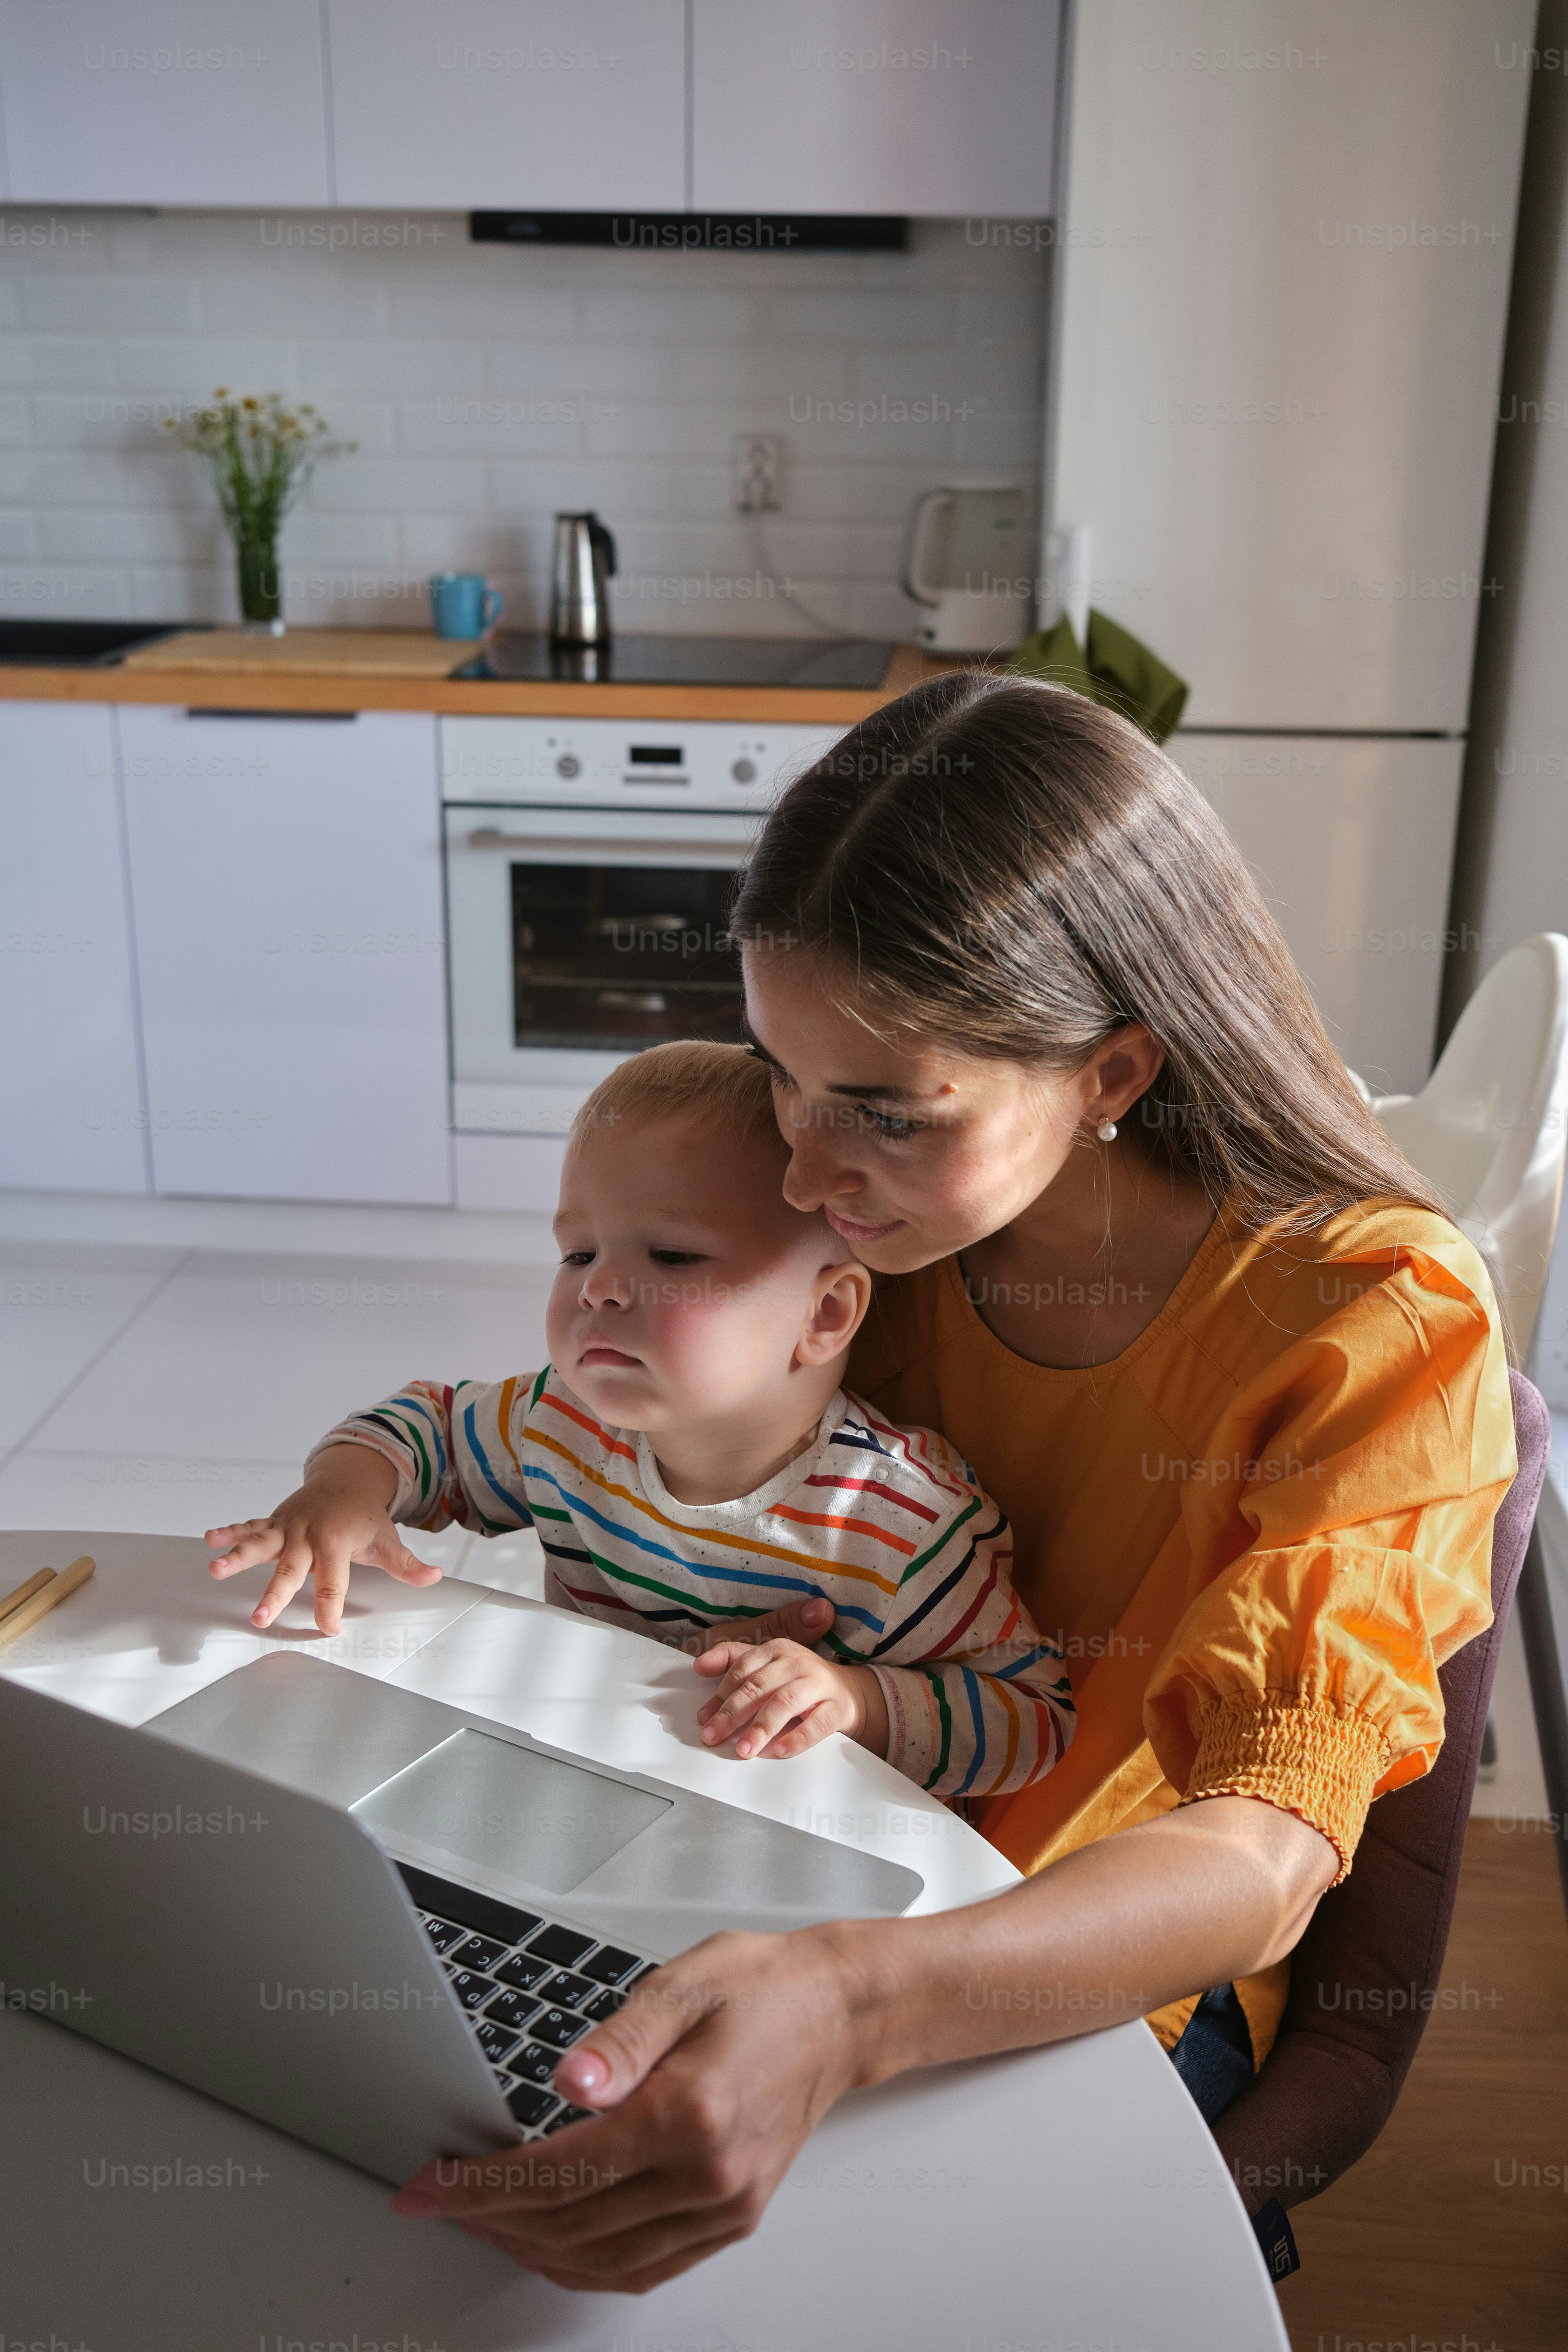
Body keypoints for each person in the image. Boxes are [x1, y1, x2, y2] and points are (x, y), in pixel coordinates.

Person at [374, 669, 1517, 2294]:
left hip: (1070, 1983)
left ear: (1109, 1075)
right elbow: (605, 1449)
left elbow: (1258, 1858)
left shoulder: (1366, 1321)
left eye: (884, 1116)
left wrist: (851, 2001)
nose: (800, 1170)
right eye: (780, 1074)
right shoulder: (853, 1239)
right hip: (752, 1851)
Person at [206, 1040, 1075, 1801]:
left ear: (823, 1318)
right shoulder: (557, 1423)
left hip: (802, 1832)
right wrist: (345, 1490)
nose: (599, 1286)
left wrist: (857, 1702)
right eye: (579, 1252)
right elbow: (430, 1428)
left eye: (671, 1255)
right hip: (602, 1779)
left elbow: (1036, 1719)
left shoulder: (899, 1524)